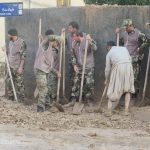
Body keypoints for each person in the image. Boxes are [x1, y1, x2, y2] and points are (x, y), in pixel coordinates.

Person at [115, 19, 150, 98]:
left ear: (131, 26)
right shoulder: (124, 34)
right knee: (124, 77)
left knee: (134, 78)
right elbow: (120, 43)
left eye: (126, 27)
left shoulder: (139, 33)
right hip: (124, 59)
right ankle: (125, 96)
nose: (125, 29)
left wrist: (140, 48)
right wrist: (117, 34)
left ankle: (134, 96)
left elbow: (147, 41)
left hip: (134, 59)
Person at [65, 31, 97, 107]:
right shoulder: (74, 43)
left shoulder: (87, 41)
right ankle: (73, 101)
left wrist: (90, 40)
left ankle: (89, 101)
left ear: (78, 36)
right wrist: (74, 65)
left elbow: (95, 48)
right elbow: (73, 56)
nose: (73, 38)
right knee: (75, 83)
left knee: (89, 84)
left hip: (88, 67)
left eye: (74, 37)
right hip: (79, 67)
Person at [34, 32, 64, 112]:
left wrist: (57, 72)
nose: (57, 44)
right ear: (53, 41)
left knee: (46, 89)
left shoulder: (51, 50)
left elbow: (50, 67)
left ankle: (47, 105)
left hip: (45, 70)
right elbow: (48, 38)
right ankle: (40, 108)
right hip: (40, 70)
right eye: (57, 42)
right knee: (43, 89)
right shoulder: (45, 46)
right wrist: (59, 37)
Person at [105, 41, 135, 116]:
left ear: (109, 47)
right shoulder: (124, 48)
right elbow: (130, 59)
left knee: (112, 88)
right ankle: (126, 110)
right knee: (128, 89)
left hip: (118, 67)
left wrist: (106, 79)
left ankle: (109, 110)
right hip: (129, 67)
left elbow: (107, 69)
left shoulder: (109, 53)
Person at [6, 28, 27, 101]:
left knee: (19, 84)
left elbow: (23, 56)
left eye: (9, 35)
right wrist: (5, 50)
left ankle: (22, 99)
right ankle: (11, 98)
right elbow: (10, 52)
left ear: (13, 35)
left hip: (17, 66)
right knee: (8, 82)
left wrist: (21, 67)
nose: (8, 36)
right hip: (10, 66)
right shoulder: (10, 42)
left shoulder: (22, 42)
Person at [67, 21, 79, 99]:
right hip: (71, 61)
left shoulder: (81, 35)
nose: (69, 29)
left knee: (78, 78)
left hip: (79, 61)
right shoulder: (68, 36)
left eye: (70, 28)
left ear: (75, 28)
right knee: (71, 79)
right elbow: (62, 42)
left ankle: (78, 97)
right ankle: (72, 96)